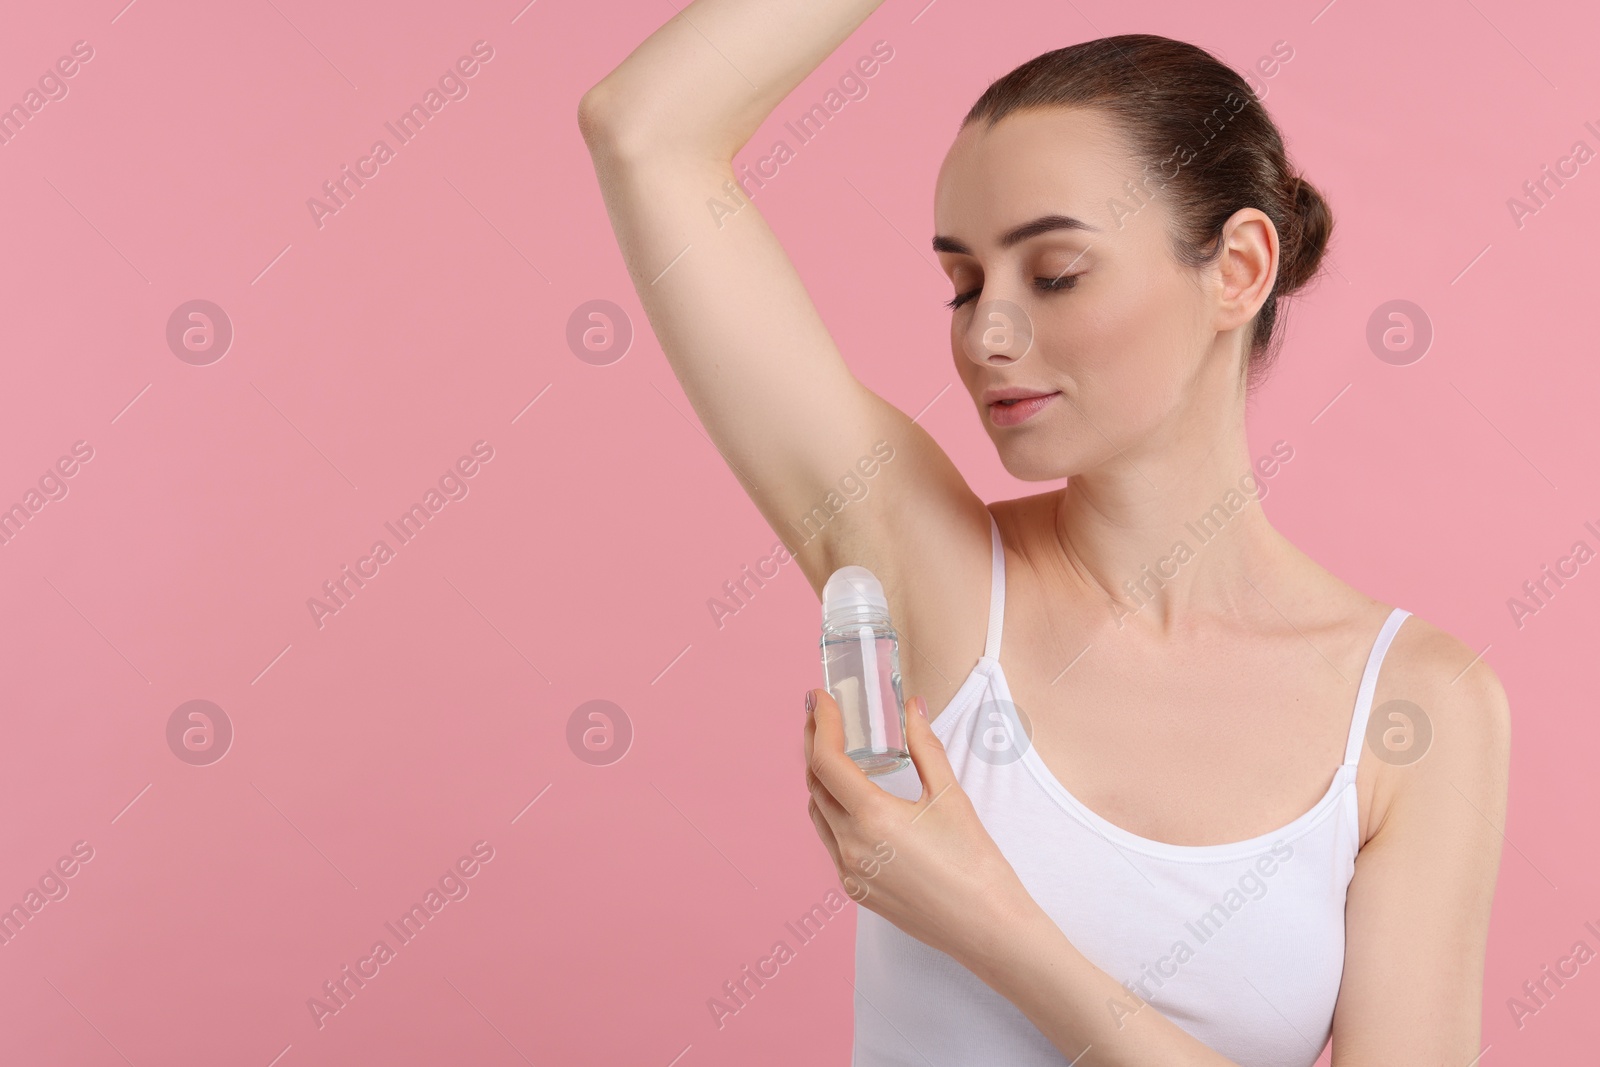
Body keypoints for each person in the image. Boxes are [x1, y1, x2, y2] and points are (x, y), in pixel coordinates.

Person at [579, 7, 1509, 1064]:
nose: (986, 334)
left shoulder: (1415, 708)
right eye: (962, 282)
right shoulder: (927, 571)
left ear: (1239, 268)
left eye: (1055, 272)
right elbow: (645, 128)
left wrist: (984, 913)